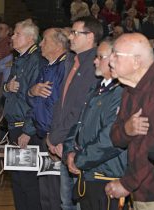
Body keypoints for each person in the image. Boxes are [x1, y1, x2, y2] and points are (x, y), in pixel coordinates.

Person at [105, 33, 154, 210]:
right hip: (140, 191)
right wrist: (127, 129)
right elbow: (116, 136)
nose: (110, 60)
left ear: (136, 61)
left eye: (116, 55)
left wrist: (127, 183)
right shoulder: (129, 88)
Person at [63, 39, 127, 210]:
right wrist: (69, 151)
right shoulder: (97, 89)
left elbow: (111, 138)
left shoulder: (122, 93)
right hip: (89, 173)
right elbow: (78, 125)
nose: (95, 61)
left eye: (100, 57)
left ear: (115, 59)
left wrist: (79, 160)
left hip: (107, 175)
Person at [47, 16, 102, 210]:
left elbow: (80, 110)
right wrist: (52, 136)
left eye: (75, 33)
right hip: (63, 141)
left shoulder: (94, 66)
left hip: (77, 146)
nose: (70, 36)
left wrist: (59, 137)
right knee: (66, 202)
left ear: (90, 37)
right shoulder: (73, 61)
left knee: (76, 203)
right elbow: (61, 104)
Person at [3, 19, 43, 210]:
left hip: (25, 129)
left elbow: (37, 101)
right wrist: (6, 86)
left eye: (17, 34)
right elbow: (5, 90)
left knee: (27, 181)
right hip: (14, 126)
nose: (12, 37)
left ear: (29, 38)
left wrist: (28, 131)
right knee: (17, 179)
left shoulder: (35, 61)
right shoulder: (20, 59)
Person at [27, 27, 69, 210]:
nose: (40, 44)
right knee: (45, 187)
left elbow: (64, 106)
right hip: (42, 134)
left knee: (57, 191)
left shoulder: (66, 67)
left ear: (58, 44)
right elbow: (31, 98)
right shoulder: (47, 66)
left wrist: (55, 136)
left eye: (44, 40)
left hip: (56, 138)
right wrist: (32, 91)